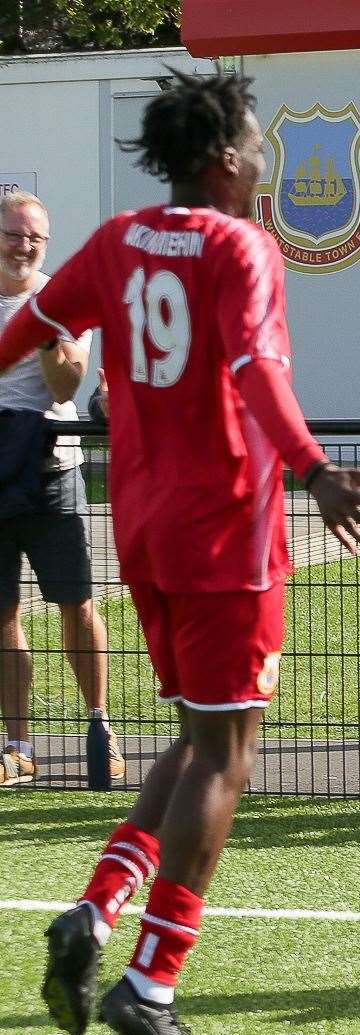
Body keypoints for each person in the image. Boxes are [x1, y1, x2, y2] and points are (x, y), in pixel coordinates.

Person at [0, 69, 360, 1035]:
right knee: (226, 755)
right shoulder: (241, 246)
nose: (264, 159)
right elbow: (256, 367)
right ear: (225, 160)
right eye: (256, 145)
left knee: (197, 736)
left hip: (143, 530)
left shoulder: (119, 239)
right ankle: (152, 977)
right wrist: (314, 470)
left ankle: (93, 912)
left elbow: (33, 326)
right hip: (229, 532)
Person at [0, 191, 124, 787]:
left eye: (35, 238)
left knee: (77, 605)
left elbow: (62, 388)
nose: (23, 246)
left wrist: (47, 327)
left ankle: (99, 728)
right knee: (2, 615)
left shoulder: (63, 300)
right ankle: (17, 745)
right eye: (13, 234)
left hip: (53, 474)